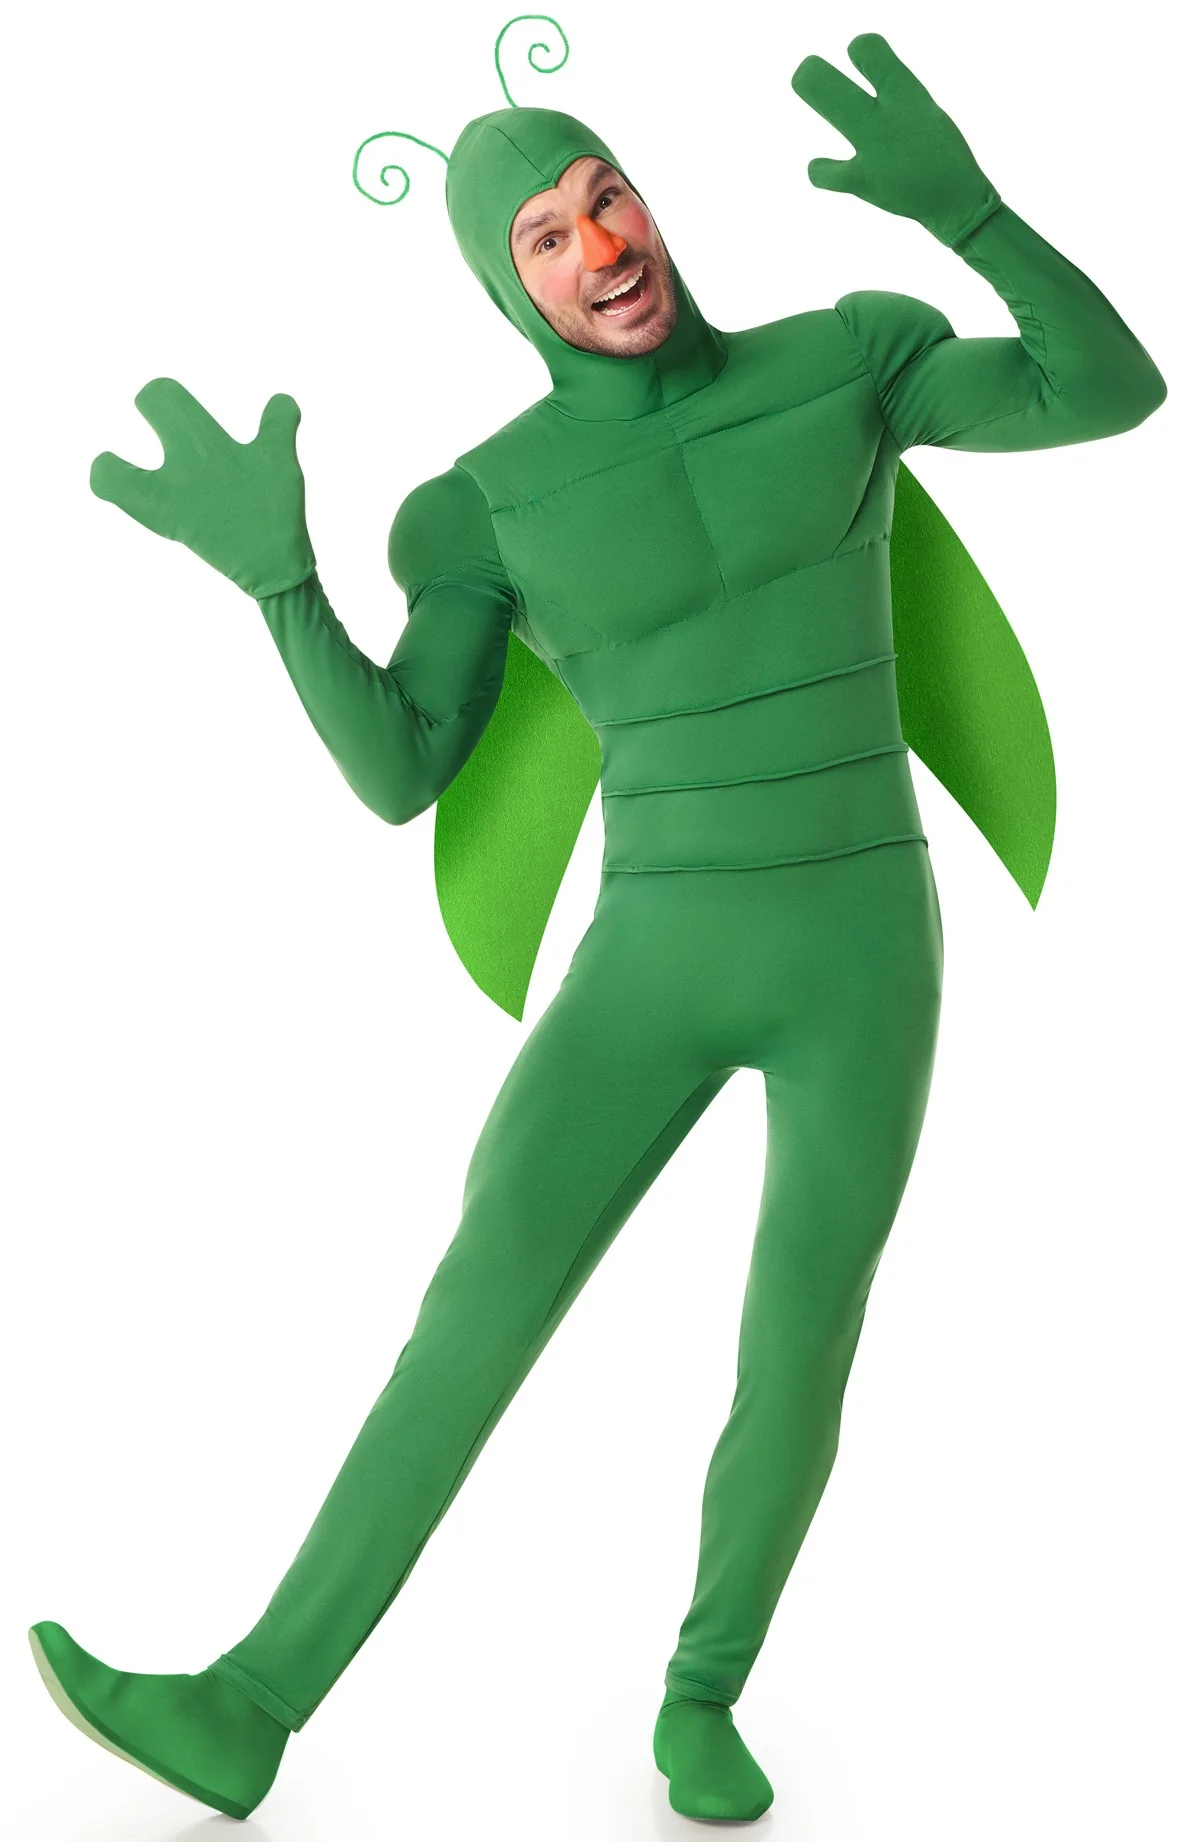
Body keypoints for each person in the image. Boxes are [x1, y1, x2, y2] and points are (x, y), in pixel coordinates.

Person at [29, 33, 1166, 1827]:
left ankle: (701, 1695)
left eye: (604, 196)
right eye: (545, 237)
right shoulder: (478, 506)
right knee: (474, 1310)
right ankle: (248, 1700)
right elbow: (404, 771)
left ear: (649, 198)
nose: (600, 248)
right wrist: (283, 587)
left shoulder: (851, 357)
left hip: (863, 945)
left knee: (800, 1335)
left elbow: (1113, 388)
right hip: (651, 952)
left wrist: (977, 218)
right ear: (508, 291)